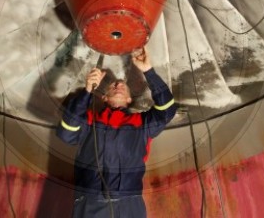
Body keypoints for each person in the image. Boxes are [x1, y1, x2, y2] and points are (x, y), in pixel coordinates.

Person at [56, 47, 177, 218]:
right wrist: (88, 91)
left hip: (129, 204)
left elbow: (168, 110)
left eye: (123, 85)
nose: (119, 84)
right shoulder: (89, 120)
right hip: (90, 203)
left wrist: (148, 71)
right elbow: (66, 133)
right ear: (104, 97)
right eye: (113, 85)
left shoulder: (142, 124)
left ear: (129, 99)